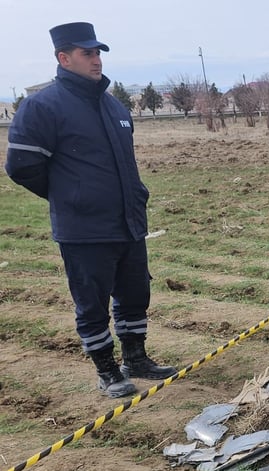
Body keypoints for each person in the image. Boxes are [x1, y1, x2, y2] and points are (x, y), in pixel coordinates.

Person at [4, 22, 176, 398]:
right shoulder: (42, 107)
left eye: (98, 52)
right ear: (64, 58)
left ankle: (136, 359)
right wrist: (71, 196)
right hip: (83, 229)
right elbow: (21, 167)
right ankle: (108, 371)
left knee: (134, 295)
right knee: (92, 303)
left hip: (128, 221)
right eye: (87, 53)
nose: (96, 59)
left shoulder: (112, 105)